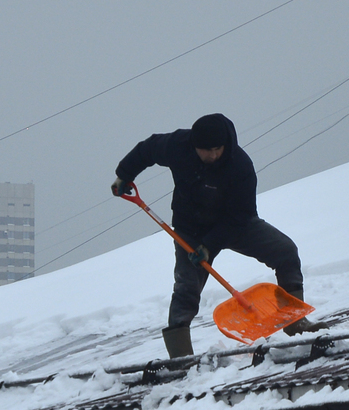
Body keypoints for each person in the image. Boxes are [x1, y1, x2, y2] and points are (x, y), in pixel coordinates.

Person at [113, 113, 313, 358]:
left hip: (235, 225)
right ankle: (181, 355)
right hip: (191, 230)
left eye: (217, 149)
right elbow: (147, 149)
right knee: (187, 288)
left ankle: (296, 322)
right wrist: (124, 174)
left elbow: (241, 215)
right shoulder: (177, 146)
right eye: (205, 151)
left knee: (285, 252)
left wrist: (209, 245)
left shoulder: (240, 165)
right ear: (193, 146)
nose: (212, 155)